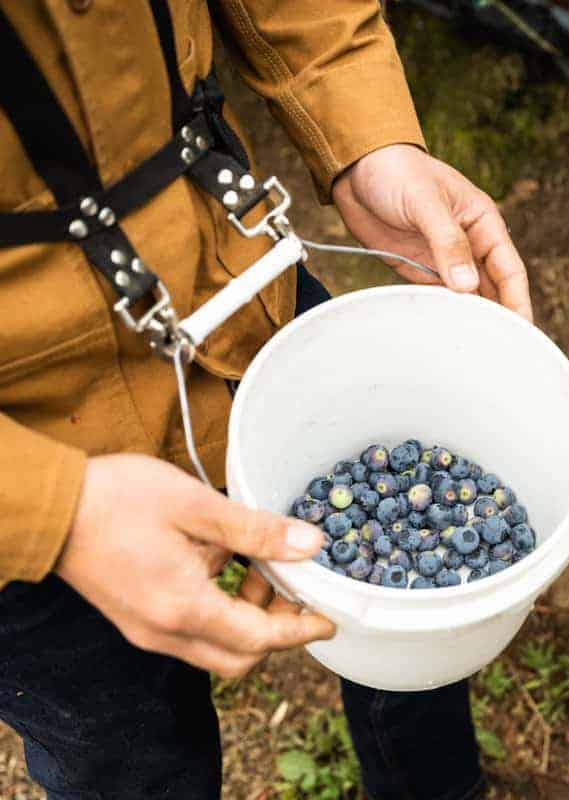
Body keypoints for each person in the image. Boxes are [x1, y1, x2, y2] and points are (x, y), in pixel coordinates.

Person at [0, 2, 530, 798]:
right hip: (33, 429)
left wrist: (366, 137)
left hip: (242, 286)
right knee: (129, 756)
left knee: (411, 625)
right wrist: (48, 507)